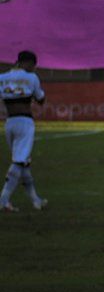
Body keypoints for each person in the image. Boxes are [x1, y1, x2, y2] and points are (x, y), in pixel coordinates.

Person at [0, 50, 48, 212]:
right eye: (33, 65)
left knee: (24, 163)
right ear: (27, 63)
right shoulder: (31, 77)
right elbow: (40, 99)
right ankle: (3, 200)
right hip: (25, 123)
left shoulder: (2, 77)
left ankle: (35, 200)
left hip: (9, 123)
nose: (34, 68)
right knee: (19, 162)